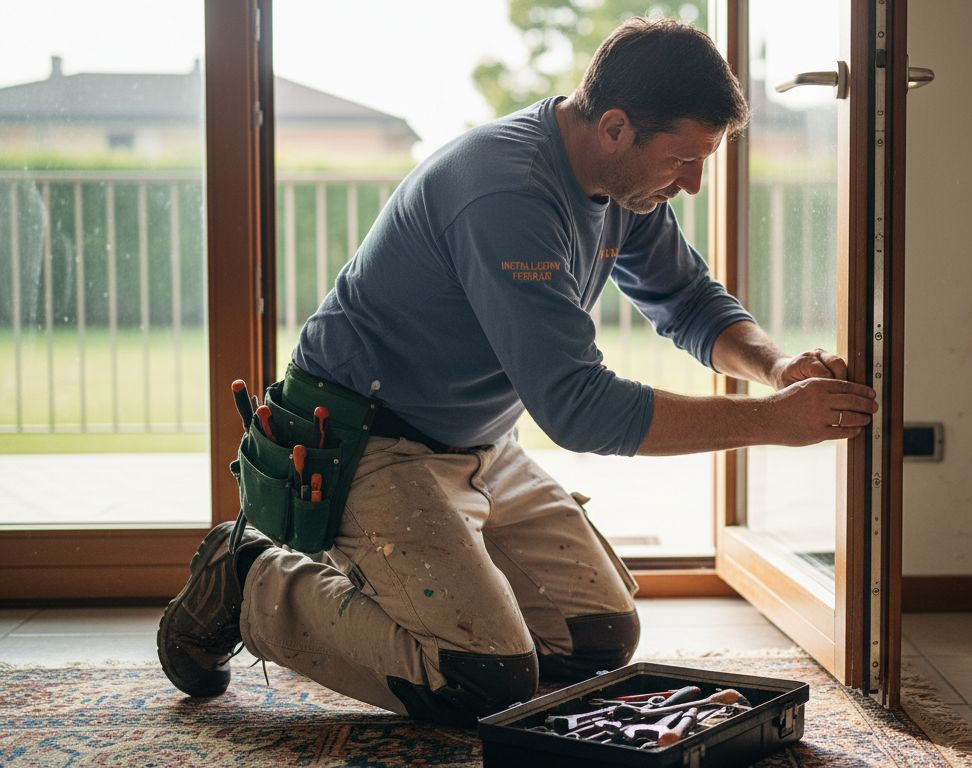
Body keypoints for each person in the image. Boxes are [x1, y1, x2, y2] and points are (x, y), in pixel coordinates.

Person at [157, 17, 877, 725]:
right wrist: (773, 424)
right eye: (684, 159)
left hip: (478, 442)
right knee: (479, 678)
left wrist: (776, 367)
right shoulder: (508, 193)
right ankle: (246, 578)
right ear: (617, 127)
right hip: (367, 436)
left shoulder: (624, 185)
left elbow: (686, 299)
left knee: (595, 638)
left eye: (705, 161)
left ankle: (437, 594)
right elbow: (578, 409)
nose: (691, 184)